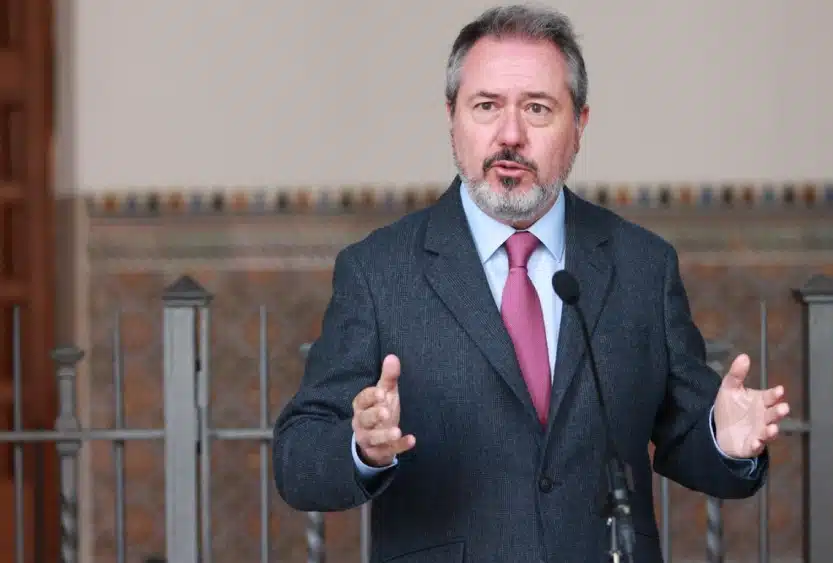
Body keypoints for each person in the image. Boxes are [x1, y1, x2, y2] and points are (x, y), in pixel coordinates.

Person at [273, 4, 790, 562]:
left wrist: (725, 440)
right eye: (486, 106)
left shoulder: (642, 265)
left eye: (537, 109)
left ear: (580, 124)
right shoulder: (380, 270)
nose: (510, 135)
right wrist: (361, 447)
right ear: (452, 117)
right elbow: (298, 461)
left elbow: (686, 436)